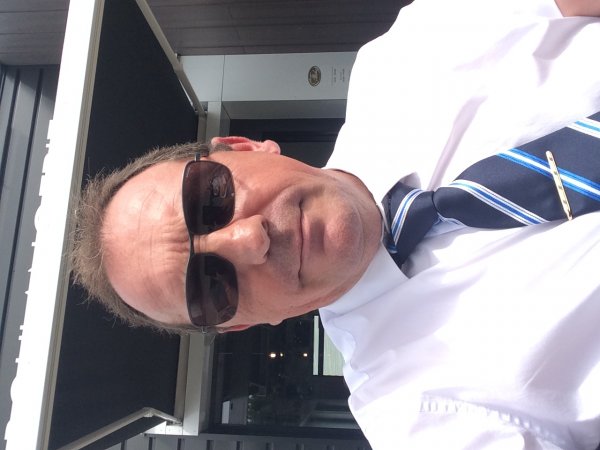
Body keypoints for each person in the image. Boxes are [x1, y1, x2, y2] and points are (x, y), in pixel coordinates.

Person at [71, 0, 600, 448]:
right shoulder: (417, 415)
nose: (250, 240)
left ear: (244, 147)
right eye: (211, 287)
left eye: (210, 199)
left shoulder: (409, 54)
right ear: (242, 323)